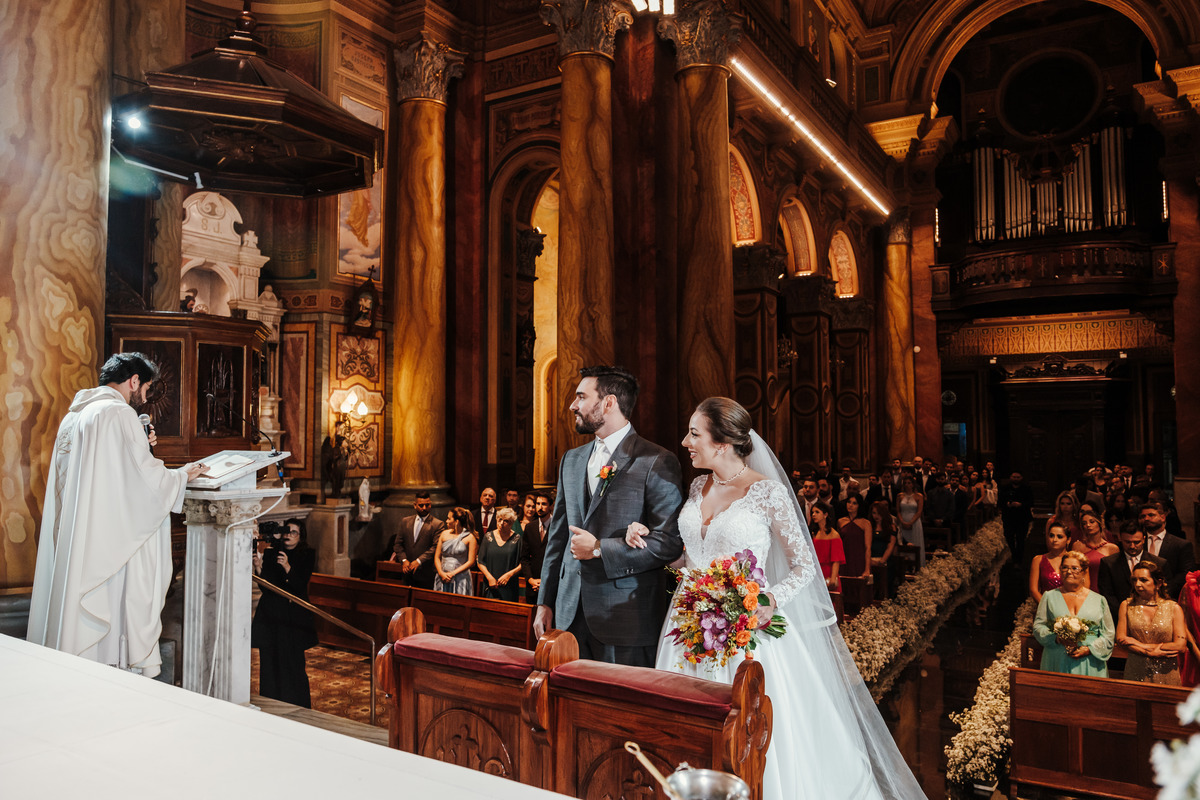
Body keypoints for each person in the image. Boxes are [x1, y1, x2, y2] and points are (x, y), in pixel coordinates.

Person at [627, 397, 926, 800]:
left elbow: (805, 566)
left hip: (747, 630)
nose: (685, 441)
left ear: (723, 442)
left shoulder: (767, 493)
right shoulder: (699, 485)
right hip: (688, 623)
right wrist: (647, 541)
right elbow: (690, 556)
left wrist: (766, 600)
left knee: (753, 731)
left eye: (695, 434)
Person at [27, 352, 204, 677]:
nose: (145, 398)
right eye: (146, 389)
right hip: (110, 547)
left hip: (83, 537)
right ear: (134, 381)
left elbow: (106, 478)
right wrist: (182, 475)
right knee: (112, 634)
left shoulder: (76, 415)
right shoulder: (117, 414)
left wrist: (141, 446)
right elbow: (143, 482)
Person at [535, 365, 685, 666]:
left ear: (608, 403)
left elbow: (667, 543)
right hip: (568, 611)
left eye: (581, 397)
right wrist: (545, 602)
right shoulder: (572, 460)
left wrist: (601, 549)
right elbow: (558, 538)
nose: (572, 405)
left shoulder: (656, 460)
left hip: (625, 616)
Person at [252, 518, 318, 706]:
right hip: (271, 616)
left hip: (292, 618)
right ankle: (272, 702)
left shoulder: (307, 554)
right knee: (269, 661)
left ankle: (297, 704)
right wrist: (258, 567)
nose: (289, 536)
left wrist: (288, 566)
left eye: (294, 532)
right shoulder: (273, 552)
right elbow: (267, 588)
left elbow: (299, 585)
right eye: (287, 532)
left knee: (292, 662)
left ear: (301, 536)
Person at [1032, 550, 1115, 677]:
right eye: (1064, 567)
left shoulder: (1099, 600)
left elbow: (1108, 634)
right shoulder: (1049, 597)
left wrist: (1089, 649)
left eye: (1074, 568)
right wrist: (1057, 638)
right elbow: (1038, 627)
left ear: (1084, 572)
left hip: (1090, 660)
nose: (1069, 572)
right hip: (1057, 658)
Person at [1117, 561, 1186, 684]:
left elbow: (1180, 645)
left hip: (1167, 672)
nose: (1137, 585)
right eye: (1134, 580)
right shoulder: (1127, 605)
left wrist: (1140, 644)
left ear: (1158, 583)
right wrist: (1149, 652)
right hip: (1136, 670)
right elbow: (1121, 639)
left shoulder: (1173, 607)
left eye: (1143, 580)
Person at [1098, 526, 1166, 616]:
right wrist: (1123, 613)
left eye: (1136, 542)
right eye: (1127, 542)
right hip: (1117, 614)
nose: (1132, 546)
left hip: (1153, 614)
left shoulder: (1158, 562)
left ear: (1143, 539)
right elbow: (1106, 593)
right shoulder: (1108, 563)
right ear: (1120, 539)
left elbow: (1164, 590)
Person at [389, 492, 444, 590]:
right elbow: (398, 544)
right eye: (421, 505)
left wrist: (419, 561)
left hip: (426, 573)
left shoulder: (438, 524)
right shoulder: (405, 521)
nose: (424, 508)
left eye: (427, 505)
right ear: (415, 505)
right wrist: (404, 560)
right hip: (407, 571)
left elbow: (435, 547)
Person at [1142, 502, 1195, 599]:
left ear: (1163, 517)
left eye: (1151, 515)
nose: (1146, 519)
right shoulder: (1137, 543)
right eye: (1143, 516)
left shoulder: (1180, 544)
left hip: (1170, 596)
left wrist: (1163, 590)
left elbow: (1186, 573)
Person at [479, 507, 523, 602]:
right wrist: (489, 577)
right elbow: (480, 561)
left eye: (506, 521)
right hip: (490, 584)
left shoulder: (517, 539)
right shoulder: (488, 537)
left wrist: (509, 575)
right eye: (500, 520)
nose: (501, 523)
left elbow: (523, 563)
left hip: (509, 586)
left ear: (511, 523)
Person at [433, 507, 477, 595]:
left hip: (460, 577)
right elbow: (437, 557)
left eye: (449, 519)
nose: (446, 521)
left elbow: (471, 561)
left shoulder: (470, 537)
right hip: (442, 575)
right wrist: (441, 573)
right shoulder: (444, 534)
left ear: (456, 522)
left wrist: (452, 573)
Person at [1071, 511, 1118, 592]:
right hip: (1081, 591)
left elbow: (1115, 576)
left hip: (1104, 592)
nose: (1088, 525)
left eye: (1092, 522)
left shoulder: (1112, 548)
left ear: (1100, 524)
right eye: (1084, 523)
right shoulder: (1077, 546)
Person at [1029, 523, 1070, 605]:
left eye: (1059, 537)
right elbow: (1033, 590)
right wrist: (1047, 607)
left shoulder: (1074, 560)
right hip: (1045, 607)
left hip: (1070, 608)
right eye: (1051, 536)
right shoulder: (1038, 560)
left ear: (1068, 540)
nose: (1054, 539)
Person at [520, 493, 552, 594]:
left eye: (544, 504)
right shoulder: (530, 527)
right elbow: (524, 558)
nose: (540, 507)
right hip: (532, 584)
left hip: (551, 583)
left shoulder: (558, 527)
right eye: (538, 504)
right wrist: (530, 579)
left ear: (550, 506)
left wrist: (546, 581)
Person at [999, 471, 1034, 563]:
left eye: (1018, 477)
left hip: (1022, 517)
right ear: (1010, 477)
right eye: (1014, 477)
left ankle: (1019, 558)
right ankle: (1014, 553)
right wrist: (1006, 504)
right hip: (1008, 517)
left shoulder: (1026, 489)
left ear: (1021, 478)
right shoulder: (1005, 488)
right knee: (1009, 536)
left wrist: (1020, 504)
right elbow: (999, 502)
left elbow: (1031, 502)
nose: (1016, 479)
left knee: (1020, 539)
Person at [837, 494, 872, 583]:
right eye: (849, 502)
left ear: (859, 506)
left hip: (858, 559)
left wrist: (867, 569)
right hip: (844, 558)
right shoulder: (841, 521)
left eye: (854, 503)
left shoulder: (865, 523)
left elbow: (868, 548)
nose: (850, 505)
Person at [809, 501, 844, 591]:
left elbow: (836, 560)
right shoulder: (814, 533)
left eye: (817, 512)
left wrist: (833, 578)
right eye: (812, 512)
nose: (813, 515)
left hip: (829, 572)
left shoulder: (834, 534)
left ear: (825, 515)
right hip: (816, 572)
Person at [896, 474, 925, 567]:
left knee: (914, 543)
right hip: (902, 521)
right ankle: (904, 566)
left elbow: (919, 512)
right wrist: (902, 522)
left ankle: (916, 565)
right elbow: (898, 511)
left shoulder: (918, 496)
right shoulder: (900, 496)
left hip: (915, 522)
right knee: (903, 543)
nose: (907, 485)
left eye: (909, 483)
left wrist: (910, 522)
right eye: (905, 483)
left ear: (913, 484)